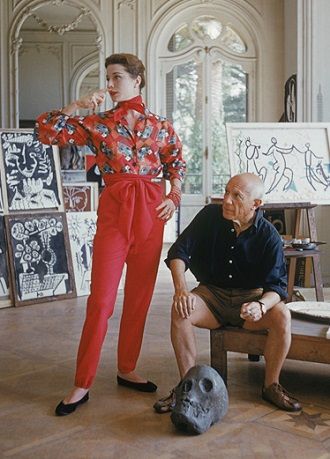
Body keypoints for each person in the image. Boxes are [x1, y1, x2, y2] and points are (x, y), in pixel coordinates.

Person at [35, 53, 185, 416]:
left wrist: (174, 196)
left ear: (138, 79)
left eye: (117, 77)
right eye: (108, 78)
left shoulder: (161, 126)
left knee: (139, 297)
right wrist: (78, 104)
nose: (110, 85)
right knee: (101, 301)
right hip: (116, 212)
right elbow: (47, 131)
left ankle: (127, 368)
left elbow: (175, 162)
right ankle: (82, 382)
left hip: (151, 211)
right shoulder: (96, 123)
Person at [154, 172, 302, 414]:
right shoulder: (209, 217)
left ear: (256, 204)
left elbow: (277, 287)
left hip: (251, 302)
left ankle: (271, 385)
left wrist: (262, 306)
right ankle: (187, 388)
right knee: (181, 309)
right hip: (212, 296)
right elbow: (178, 253)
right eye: (226, 192)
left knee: (282, 315)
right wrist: (181, 290)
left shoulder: (269, 236)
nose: (227, 200)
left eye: (237, 196)